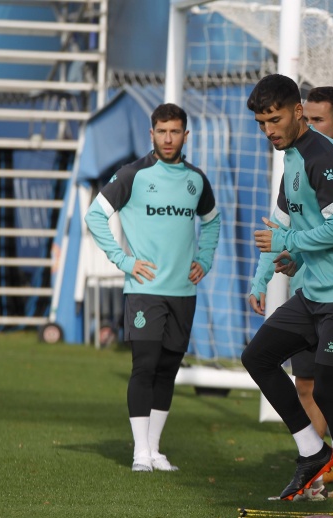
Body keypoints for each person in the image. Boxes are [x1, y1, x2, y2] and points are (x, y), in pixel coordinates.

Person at [241, 74, 333, 518]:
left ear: (298, 111)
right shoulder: (292, 160)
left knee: (328, 391)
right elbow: (292, 226)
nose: (269, 130)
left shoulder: (324, 157)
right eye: (262, 123)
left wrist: (291, 244)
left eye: (275, 119)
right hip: (318, 292)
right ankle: (313, 451)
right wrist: (281, 265)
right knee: (258, 357)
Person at [84, 103, 220, 473]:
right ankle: (139, 453)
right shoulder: (133, 174)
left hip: (183, 292)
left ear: (185, 135)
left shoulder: (196, 179)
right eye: (162, 131)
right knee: (144, 365)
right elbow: (95, 216)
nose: (168, 138)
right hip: (144, 290)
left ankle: (155, 450)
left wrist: (204, 259)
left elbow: (212, 221)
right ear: (152, 134)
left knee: (168, 369)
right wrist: (124, 260)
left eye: (175, 131)